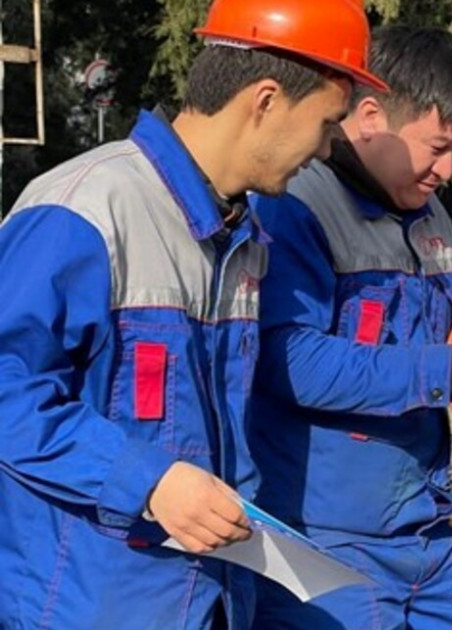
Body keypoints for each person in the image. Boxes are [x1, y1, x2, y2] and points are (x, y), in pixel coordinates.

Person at [0, 1, 381, 628]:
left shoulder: (243, 237)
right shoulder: (86, 210)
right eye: (326, 122)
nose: (324, 149)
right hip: (90, 607)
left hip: (212, 599)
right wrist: (148, 481)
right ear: (265, 101)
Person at [246, 25, 452, 630]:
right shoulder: (294, 204)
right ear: (372, 117)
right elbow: (288, 361)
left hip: (426, 525)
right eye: (437, 147)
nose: (447, 170)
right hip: (326, 535)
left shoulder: (432, 216)